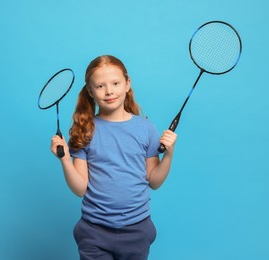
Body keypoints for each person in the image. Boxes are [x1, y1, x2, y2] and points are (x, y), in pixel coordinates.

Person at [50, 55, 177, 260]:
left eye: (115, 83)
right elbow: (80, 188)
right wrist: (64, 160)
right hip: (94, 232)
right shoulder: (85, 130)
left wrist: (169, 154)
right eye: (100, 86)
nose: (109, 91)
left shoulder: (146, 129)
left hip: (137, 230)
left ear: (127, 84)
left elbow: (153, 181)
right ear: (90, 91)